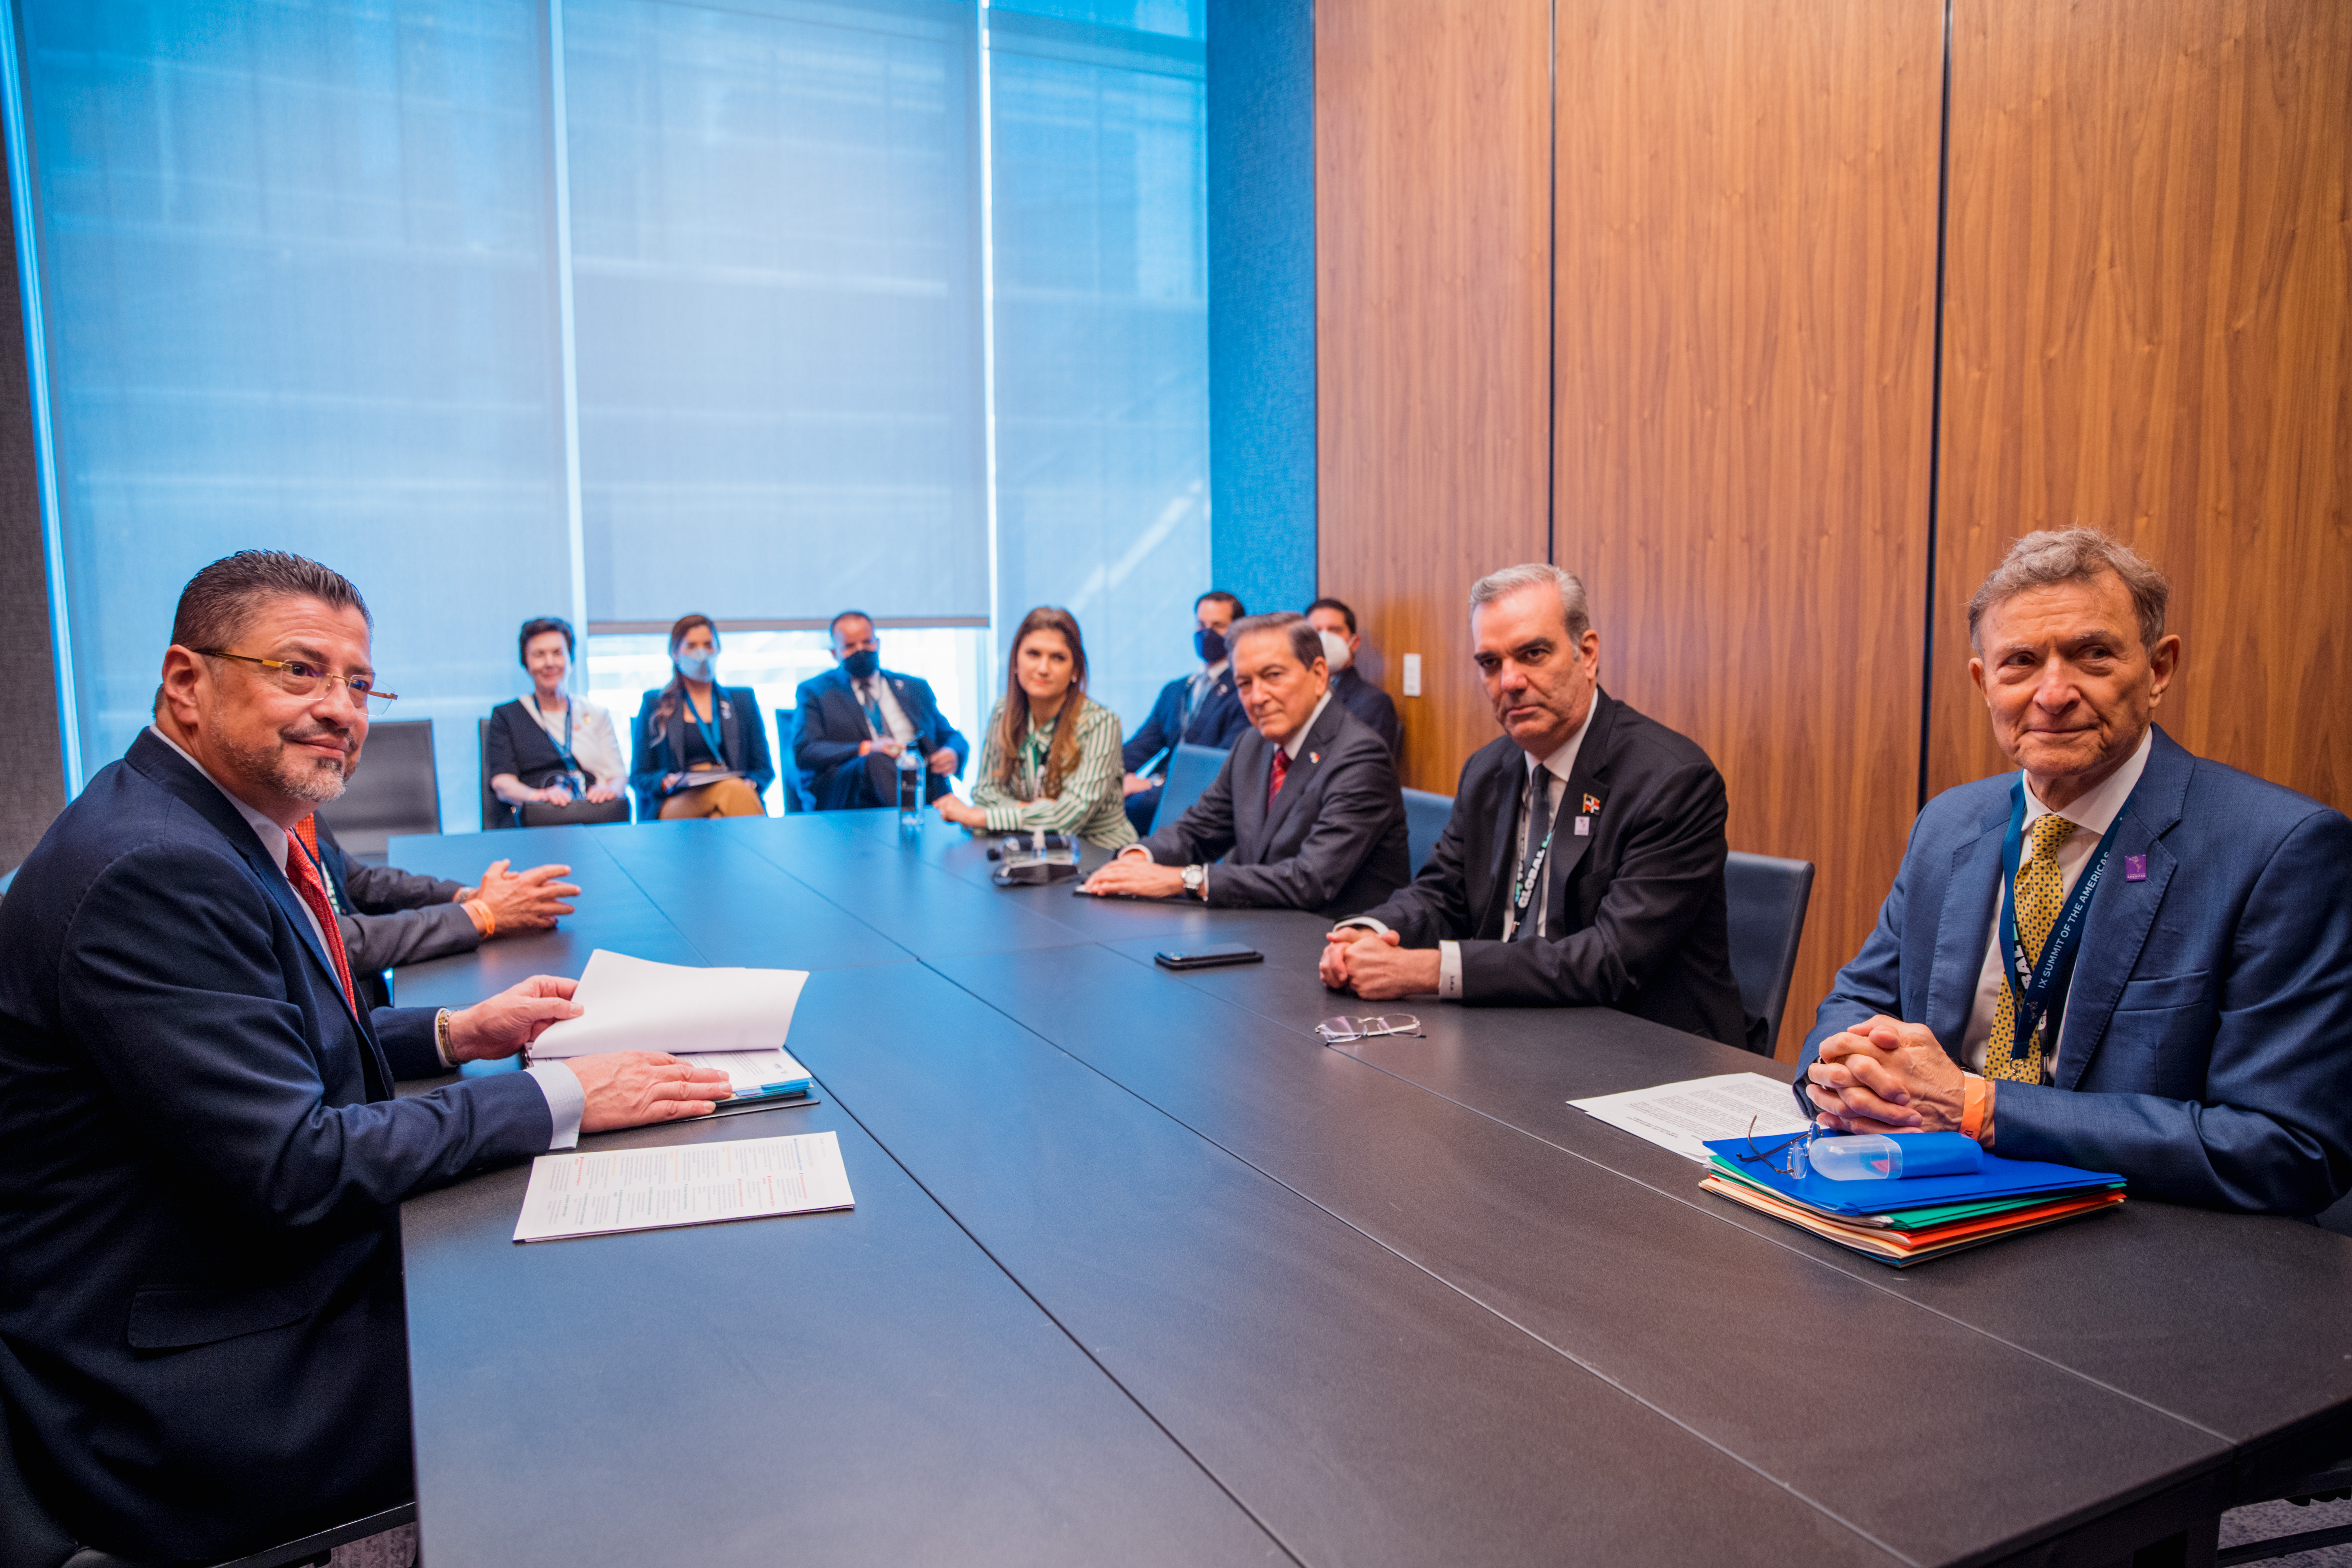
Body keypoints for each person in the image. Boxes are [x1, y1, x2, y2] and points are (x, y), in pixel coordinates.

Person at [0, 551, 736, 1561]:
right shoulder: (155, 868)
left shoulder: (197, 823)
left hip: (207, 1271)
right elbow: (295, 1162)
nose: (341, 708)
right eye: (300, 670)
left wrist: (452, 1031)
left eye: (358, 684)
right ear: (186, 683)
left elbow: (269, 1042)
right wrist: (559, 1096)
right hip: (174, 1385)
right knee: (605, 1326)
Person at [1798, 530, 2352, 1214]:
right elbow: (1855, 1004)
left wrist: (1982, 1108)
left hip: (2137, 1237)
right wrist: (1849, 1076)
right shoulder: (1949, 825)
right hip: (1928, 1203)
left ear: (2159, 669)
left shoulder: (2279, 850)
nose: (2054, 693)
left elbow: (2289, 1147)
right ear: (1984, 683)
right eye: (2021, 662)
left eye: (2093, 655)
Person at [1318, 563, 1748, 1049]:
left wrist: (1432, 970)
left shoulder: (1671, 780)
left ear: (1587, 654)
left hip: (1644, 1048)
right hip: (1507, 1029)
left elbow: (1610, 959)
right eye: (1490, 663)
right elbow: (1441, 894)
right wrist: (1368, 934)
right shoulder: (1487, 769)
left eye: (1533, 654)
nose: (1510, 681)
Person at [1083, 612, 1410, 916]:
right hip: (1259, 923)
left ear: (1319, 675)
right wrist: (1137, 860)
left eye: (1273, 676)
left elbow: (1310, 879)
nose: (1257, 697)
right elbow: (1200, 828)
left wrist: (1183, 880)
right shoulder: (1253, 744)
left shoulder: (1360, 755)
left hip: (1329, 938)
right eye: (1244, 683)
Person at [313, 815, 579, 1009]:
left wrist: (469, 897)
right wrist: (480, 914)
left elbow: (360, 882)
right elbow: (335, 942)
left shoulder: (305, 817)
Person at [937, 606, 1136, 849]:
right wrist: (1034, 811)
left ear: (1075, 670)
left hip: (1098, 851)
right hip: (1030, 845)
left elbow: (1068, 818)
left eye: (1058, 658)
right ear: (1016, 662)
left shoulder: (1103, 723)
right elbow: (985, 793)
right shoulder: (1003, 711)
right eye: (1033, 654)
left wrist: (979, 818)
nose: (1043, 669)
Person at [790, 609, 970, 811]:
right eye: (850, 646)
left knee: (919, 765)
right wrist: (867, 748)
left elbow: (951, 736)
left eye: (867, 642)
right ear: (835, 653)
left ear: (878, 643)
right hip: (852, 790)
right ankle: (909, 820)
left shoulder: (915, 688)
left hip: (921, 777)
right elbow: (805, 751)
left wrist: (952, 752)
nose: (861, 650)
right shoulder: (816, 692)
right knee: (877, 760)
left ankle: (952, 815)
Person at [1120, 590, 1252, 833]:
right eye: (1201, 625)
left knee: (1138, 806)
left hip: (1201, 797)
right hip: (1159, 792)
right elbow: (1141, 746)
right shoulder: (1177, 690)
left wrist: (1151, 785)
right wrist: (1104, 776)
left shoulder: (1245, 692)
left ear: (1238, 631)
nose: (1207, 633)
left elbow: (1219, 765)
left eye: (1218, 626)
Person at [484, 615, 629, 827]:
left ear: (570, 659)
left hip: (594, 817)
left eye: (557, 653)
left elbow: (618, 776)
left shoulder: (596, 713)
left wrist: (609, 792)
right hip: (536, 823)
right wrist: (538, 796)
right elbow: (503, 783)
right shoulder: (507, 716)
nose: (550, 663)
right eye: (539, 655)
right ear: (526, 664)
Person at [628, 614, 773, 819]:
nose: (701, 653)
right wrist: (667, 782)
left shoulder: (743, 701)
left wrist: (751, 783)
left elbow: (764, 769)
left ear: (718, 650)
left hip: (733, 792)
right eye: (691, 646)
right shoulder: (654, 704)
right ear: (675, 654)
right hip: (677, 802)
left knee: (723, 809)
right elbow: (639, 777)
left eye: (708, 645)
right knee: (732, 790)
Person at [1306, 595, 1401, 757]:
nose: (1325, 639)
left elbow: (1366, 763)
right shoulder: (1294, 695)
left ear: (1355, 643)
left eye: (1335, 630)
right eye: (1316, 631)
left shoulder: (1374, 703)